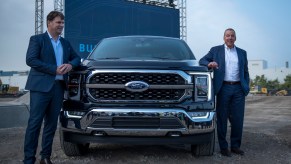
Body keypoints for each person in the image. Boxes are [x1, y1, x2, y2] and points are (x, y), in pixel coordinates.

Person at [23, 11, 81, 164]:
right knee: (34, 124)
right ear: (49, 22)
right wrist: (53, 69)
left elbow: (77, 58)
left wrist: (70, 65)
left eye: (62, 23)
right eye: (58, 22)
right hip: (40, 88)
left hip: (58, 88)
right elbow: (31, 60)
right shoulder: (37, 39)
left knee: (51, 125)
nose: (61, 25)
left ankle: (45, 157)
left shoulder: (65, 43)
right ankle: (28, 160)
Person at [199, 28, 250, 157]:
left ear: (235, 38)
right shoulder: (215, 50)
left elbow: (245, 71)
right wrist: (210, 63)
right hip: (223, 88)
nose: (230, 38)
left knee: (238, 119)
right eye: (227, 36)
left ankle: (235, 146)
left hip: (238, 89)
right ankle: (223, 147)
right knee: (222, 119)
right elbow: (202, 61)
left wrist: (246, 86)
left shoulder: (242, 52)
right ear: (224, 38)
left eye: (232, 36)